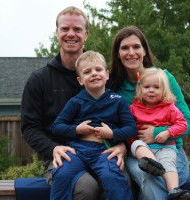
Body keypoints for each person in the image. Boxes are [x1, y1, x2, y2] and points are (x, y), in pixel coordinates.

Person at [21, 6, 127, 200]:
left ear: (86, 34)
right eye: (65, 29)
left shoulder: (104, 77)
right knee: (86, 188)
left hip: (104, 152)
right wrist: (53, 148)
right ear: (57, 33)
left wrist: (122, 146)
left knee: (124, 181)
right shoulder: (39, 80)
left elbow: (125, 118)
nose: (71, 34)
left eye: (77, 29)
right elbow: (29, 127)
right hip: (63, 155)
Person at [108, 25, 190, 200]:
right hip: (136, 153)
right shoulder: (113, 86)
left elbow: (188, 123)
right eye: (125, 48)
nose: (131, 52)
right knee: (149, 174)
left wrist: (156, 133)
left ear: (145, 51)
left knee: (155, 178)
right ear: (118, 53)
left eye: (136, 47)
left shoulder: (164, 79)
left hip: (169, 150)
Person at [51, 51, 136, 200]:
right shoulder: (75, 102)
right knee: (62, 173)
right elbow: (57, 126)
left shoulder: (117, 101)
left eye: (98, 69)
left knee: (114, 178)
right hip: (78, 149)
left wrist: (112, 134)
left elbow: (131, 128)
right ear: (80, 80)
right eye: (87, 72)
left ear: (107, 74)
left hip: (105, 151)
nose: (94, 74)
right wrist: (77, 130)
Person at [128, 67, 190, 200]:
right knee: (137, 144)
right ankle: (150, 163)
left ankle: (174, 191)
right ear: (140, 89)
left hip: (165, 147)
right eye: (147, 87)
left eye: (156, 87)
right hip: (144, 148)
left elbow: (183, 124)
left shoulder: (170, 108)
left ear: (164, 90)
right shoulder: (134, 108)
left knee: (169, 165)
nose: (151, 90)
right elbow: (128, 127)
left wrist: (167, 132)